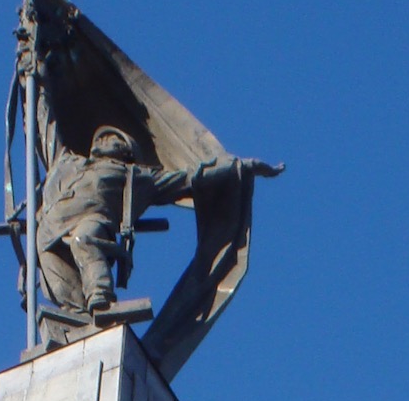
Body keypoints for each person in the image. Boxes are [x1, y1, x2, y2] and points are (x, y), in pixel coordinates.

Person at [36, 124, 281, 320]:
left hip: (91, 221)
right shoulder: (68, 163)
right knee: (58, 281)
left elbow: (189, 179)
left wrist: (242, 166)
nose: (102, 139)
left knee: (85, 239)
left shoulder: (135, 176)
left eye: (112, 138)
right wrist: (35, 80)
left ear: (125, 152)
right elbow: (45, 126)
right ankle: (76, 319)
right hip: (50, 230)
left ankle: (101, 298)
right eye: (101, 137)